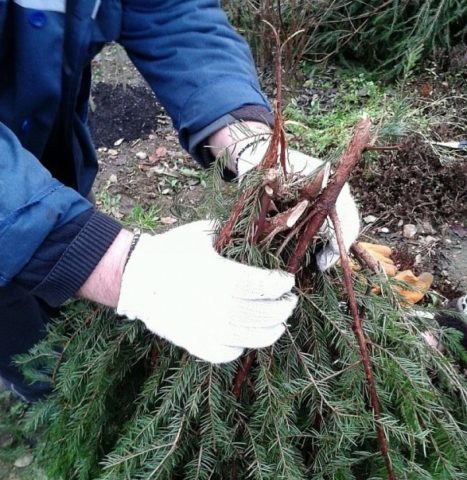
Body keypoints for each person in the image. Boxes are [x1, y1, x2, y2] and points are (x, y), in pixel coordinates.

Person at [0, 0, 360, 402]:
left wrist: (245, 140)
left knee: (68, 298)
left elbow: (169, 11)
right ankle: (52, 404)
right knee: (24, 338)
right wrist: (119, 267)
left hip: (53, 164)